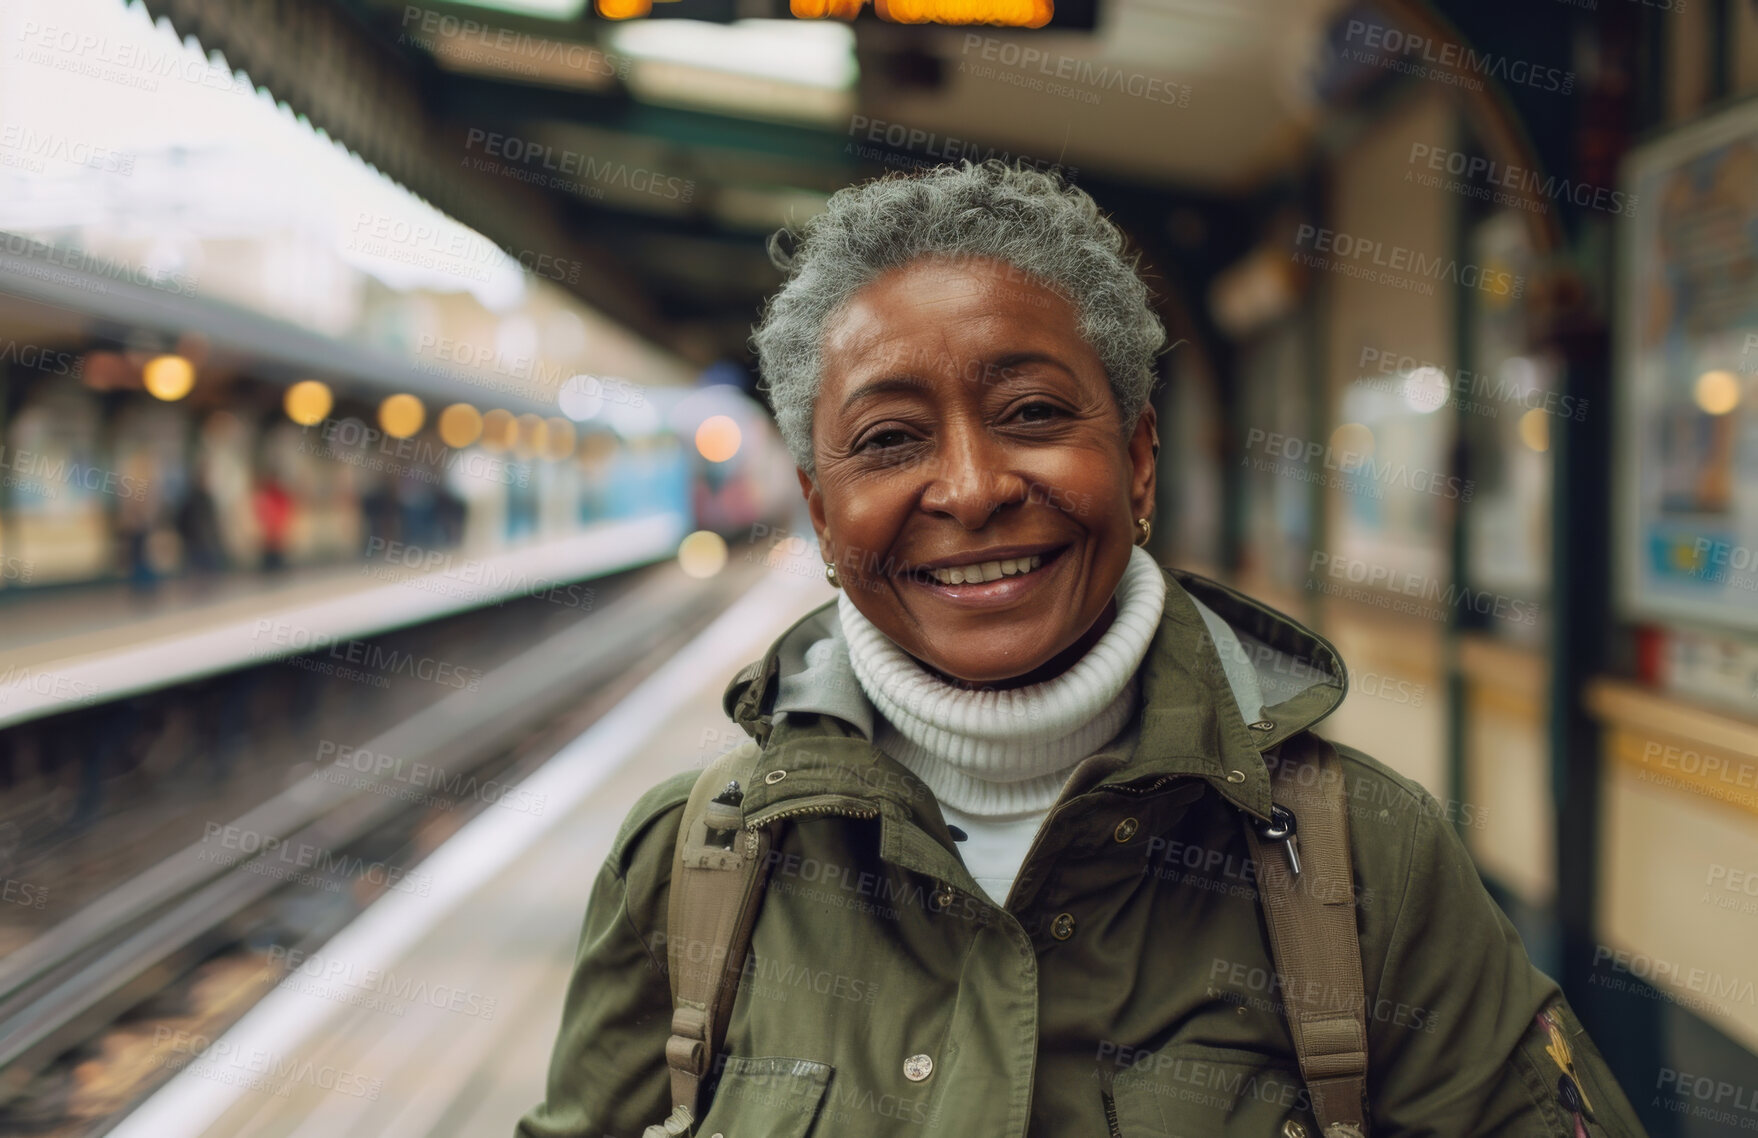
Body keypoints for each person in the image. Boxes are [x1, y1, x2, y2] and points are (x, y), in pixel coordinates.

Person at [516, 161, 1646, 1137]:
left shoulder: (1362, 862)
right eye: (890, 438)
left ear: (1140, 461)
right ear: (820, 511)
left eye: (1035, 413)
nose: (970, 487)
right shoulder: (697, 864)